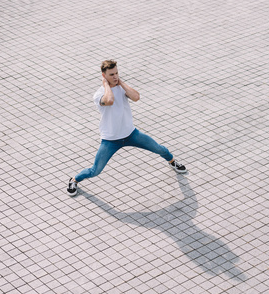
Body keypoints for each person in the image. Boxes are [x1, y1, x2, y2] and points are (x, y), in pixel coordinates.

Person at [67, 60, 187, 196]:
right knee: (96, 170)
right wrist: (106, 85)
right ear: (103, 75)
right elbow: (110, 100)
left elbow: (136, 97)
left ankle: (172, 162)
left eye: (117, 73)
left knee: (158, 148)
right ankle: (74, 180)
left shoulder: (121, 88)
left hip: (131, 134)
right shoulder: (99, 95)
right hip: (110, 140)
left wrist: (121, 83)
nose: (115, 76)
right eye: (111, 74)